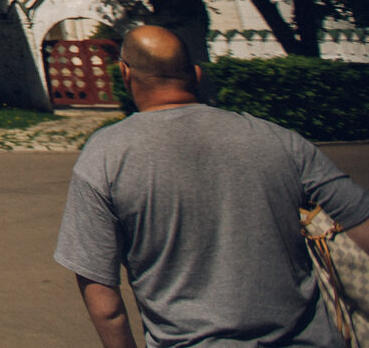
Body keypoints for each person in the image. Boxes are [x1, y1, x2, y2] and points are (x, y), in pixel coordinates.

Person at [55, 24, 369, 348]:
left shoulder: (103, 157)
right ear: (196, 74)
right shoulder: (279, 140)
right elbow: (362, 225)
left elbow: (105, 302)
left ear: (125, 74)